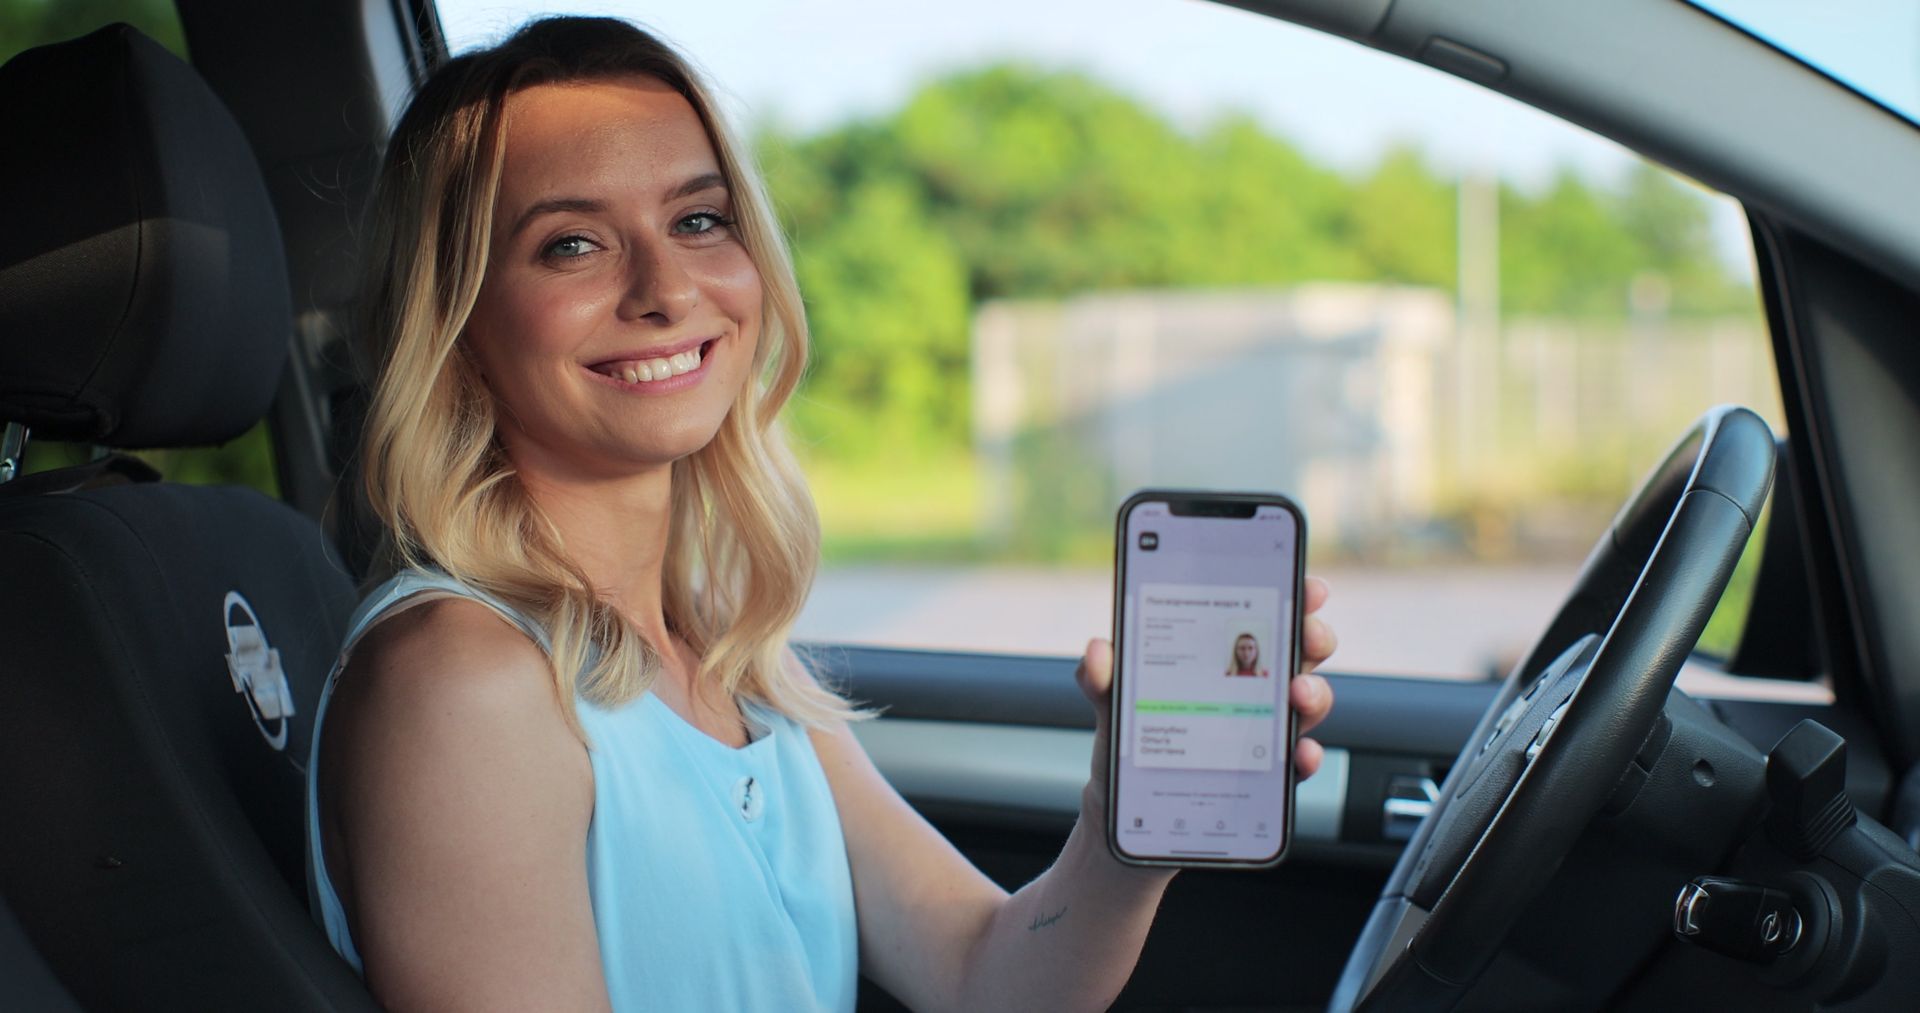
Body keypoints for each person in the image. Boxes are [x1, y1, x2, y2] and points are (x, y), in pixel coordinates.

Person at [304, 16, 1338, 1011]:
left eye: (699, 220)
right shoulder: (463, 681)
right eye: (572, 244)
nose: (666, 285)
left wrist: (1123, 832)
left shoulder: (723, 645)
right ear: (457, 315)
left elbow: (985, 973)